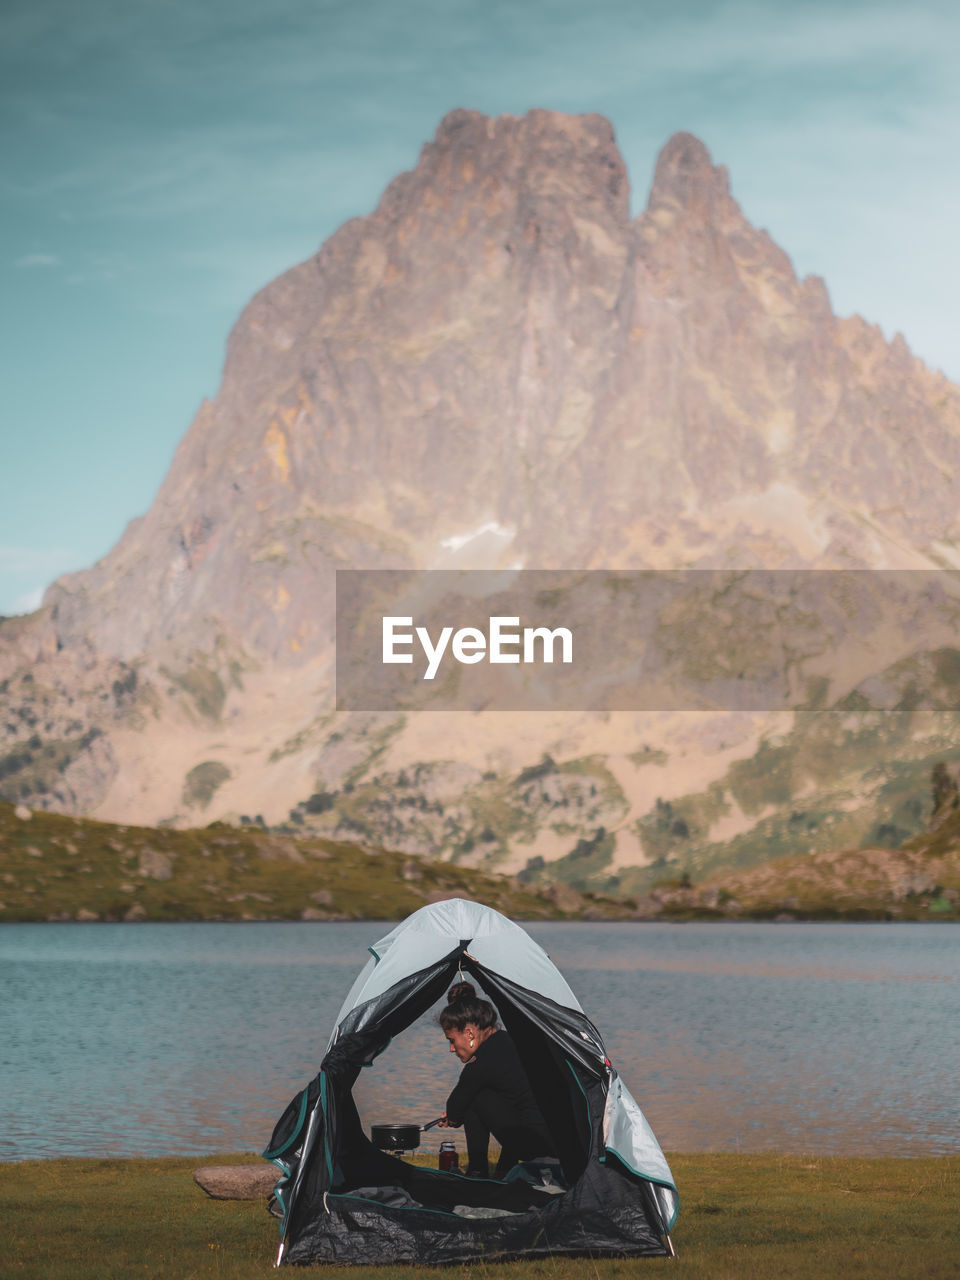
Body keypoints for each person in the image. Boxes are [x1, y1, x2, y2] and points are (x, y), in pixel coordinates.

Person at [437, 981, 556, 1178]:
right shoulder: (510, 1041)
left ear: (469, 1033)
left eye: (451, 1041)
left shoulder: (480, 1064)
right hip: (556, 1140)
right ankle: (503, 1171)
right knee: (512, 1103)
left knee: (474, 1097)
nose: (451, 1048)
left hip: (537, 1146)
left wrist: (452, 1116)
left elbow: (455, 1109)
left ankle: (477, 1172)